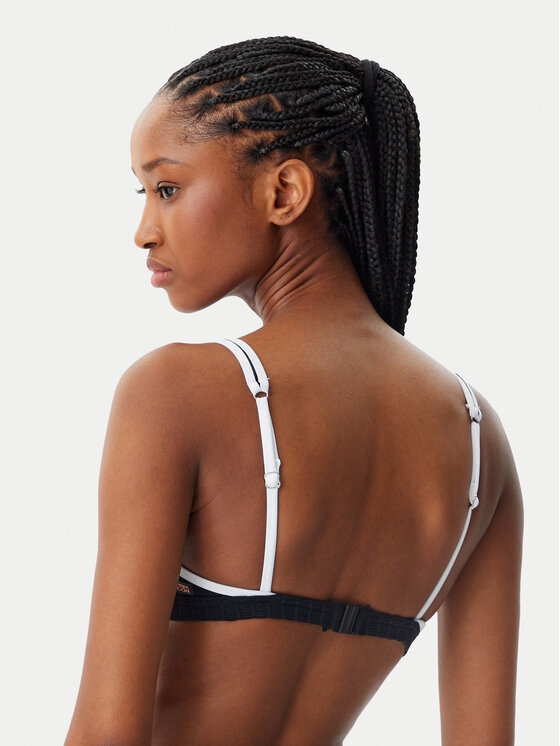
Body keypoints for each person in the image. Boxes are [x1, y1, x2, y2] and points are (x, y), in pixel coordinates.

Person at [64, 35, 523, 746]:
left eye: (167, 189)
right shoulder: (478, 439)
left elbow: (106, 734)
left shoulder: (175, 394)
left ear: (284, 192)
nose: (144, 232)